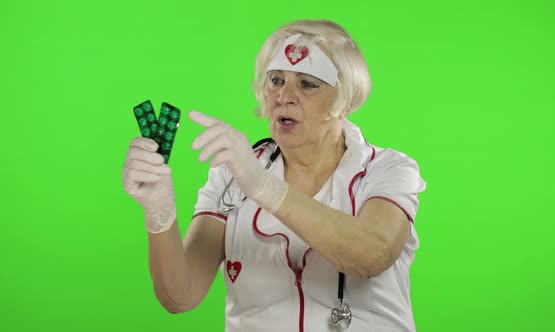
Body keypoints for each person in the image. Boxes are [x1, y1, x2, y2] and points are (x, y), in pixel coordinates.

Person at [122, 19, 426, 332]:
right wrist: (158, 211)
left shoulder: (387, 169)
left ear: (343, 99)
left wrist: (264, 186)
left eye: (308, 83)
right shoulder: (231, 173)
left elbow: (372, 255)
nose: (284, 95)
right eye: (276, 80)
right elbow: (180, 296)